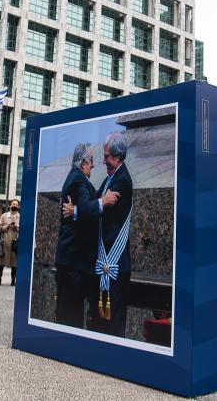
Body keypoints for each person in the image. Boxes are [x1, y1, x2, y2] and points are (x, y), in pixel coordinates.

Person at [58, 143, 119, 328]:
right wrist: (104, 200)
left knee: (69, 313)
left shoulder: (76, 178)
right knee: (71, 316)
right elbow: (86, 206)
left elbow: (83, 206)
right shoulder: (78, 180)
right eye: (91, 161)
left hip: (73, 262)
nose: (93, 165)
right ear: (84, 161)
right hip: (74, 263)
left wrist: (75, 210)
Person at [88, 132, 133, 337]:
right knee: (103, 317)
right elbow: (96, 198)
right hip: (107, 258)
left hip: (115, 260)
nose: (103, 160)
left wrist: (80, 210)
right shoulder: (110, 178)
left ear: (118, 156)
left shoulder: (121, 181)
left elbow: (101, 206)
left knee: (114, 317)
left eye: (106, 156)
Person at [0, 199, 20, 286]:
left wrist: (16, 227)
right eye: (13, 204)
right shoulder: (4, 215)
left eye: (16, 204)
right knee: (1, 261)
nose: (15, 205)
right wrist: (7, 226)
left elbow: (23, 228)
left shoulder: (20, 216)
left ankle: (13, 280)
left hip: (15, 242)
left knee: (14, 262)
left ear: (18, 207)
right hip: (5, 241)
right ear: (10, 205)